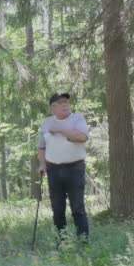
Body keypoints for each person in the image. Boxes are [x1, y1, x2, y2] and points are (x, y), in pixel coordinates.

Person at [37, 93, 89, 245]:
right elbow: (41, 147)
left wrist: (61, 129)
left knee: (77, 208)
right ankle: (62, 244)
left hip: (75, 168)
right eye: (61, 102)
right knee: (58, 209)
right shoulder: (46, 123)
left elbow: (82, 137)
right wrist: (42, 164)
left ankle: (83, 245)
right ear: (53, 107)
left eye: (67, 101)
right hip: (53, 170)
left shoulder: (78, 119)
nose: (66, 104)